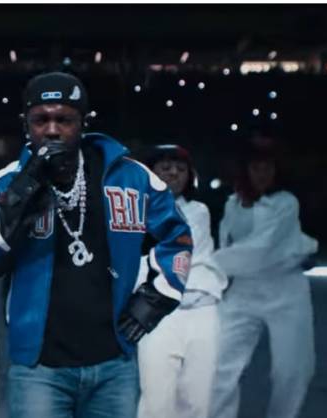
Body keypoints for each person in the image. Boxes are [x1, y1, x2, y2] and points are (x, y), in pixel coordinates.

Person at [0, 71, 194, 418]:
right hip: (39, 370)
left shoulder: (131, 177)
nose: (52, 130)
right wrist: (24, 189)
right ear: (26, 124)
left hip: (113, 366)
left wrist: (156, 298)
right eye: (41, 120)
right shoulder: (1, 183)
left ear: (83, 122)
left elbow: (178, 237)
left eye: (64, 119)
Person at [209, 134, 318, 418]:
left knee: (291, 369)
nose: (262, 174)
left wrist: (207, 264)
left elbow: (262, 249)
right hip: (243, 293)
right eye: (256, 167)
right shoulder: (233, 204)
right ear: (245, 170)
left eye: (267, 168)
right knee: (219, 364)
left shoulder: (286, 203)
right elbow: (229, 245)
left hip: (285, 291)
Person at [136, 144, 228, 418]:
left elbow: (180, 255)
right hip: (157, 312)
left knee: (197, 402)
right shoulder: (133, 212)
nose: (174, 173)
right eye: (165, 168)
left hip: (201, 310)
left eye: (181, 168)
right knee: (156, 403)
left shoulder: (198, 211)